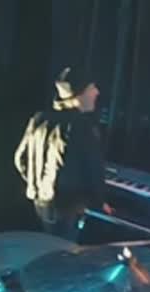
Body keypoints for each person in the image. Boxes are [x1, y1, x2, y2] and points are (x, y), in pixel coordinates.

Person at [13, 66, 110, 242]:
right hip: (69, 209)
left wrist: (39, 184)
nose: (96, 92)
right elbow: (93, 171)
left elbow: (20, 160)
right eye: (92, 87)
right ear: (79, 94)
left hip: (41, 203)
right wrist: (99, 204)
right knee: (65, 253)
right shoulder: (82, 127)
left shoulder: (40, 119)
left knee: (46, 248)